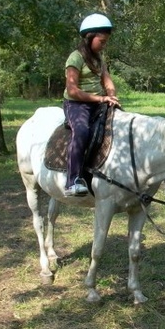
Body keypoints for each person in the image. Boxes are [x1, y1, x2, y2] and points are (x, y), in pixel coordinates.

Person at [63, 13, 120, 197]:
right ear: (90, 38)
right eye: (102, 41)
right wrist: (101, 99)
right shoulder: (75, 58)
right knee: (81, 131)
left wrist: (111, 95)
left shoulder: (99, 59)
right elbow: (72, 91)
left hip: (99, 103)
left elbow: (107, 81)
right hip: (77, 105)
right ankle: (73, 181)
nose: (104, 45)